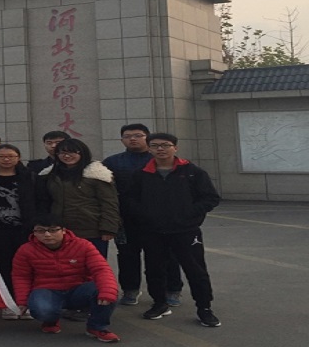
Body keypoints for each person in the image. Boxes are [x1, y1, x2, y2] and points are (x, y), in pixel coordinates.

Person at [127, 133, 222, 327]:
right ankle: (159, 303)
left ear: (175, 148)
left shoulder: (193, 172)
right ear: (149, 149)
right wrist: (145, 215)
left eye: (165, 145)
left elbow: (210, 198)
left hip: (186, 231)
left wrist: (189, 214)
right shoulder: (141, 174)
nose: (160, 149)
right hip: (153, 231)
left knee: (196, 270)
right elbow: (130, 200)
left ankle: (204, 308)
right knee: (154, 269)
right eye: (155, 146)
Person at [102, 124, 183, 306]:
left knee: (165, 256)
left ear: (147, 138)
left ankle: (172, 290)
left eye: (138, 135)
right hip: (125, 219)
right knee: (127, 255)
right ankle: (130, 290)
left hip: (160, 219)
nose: (132, 139)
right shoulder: (112, 162)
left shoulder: (161, 160)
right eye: (127, 136)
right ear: (122, 140)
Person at [12, 214, 120, 342]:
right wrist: (22, 301)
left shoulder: (83, 245)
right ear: (34, 233)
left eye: (53, 230)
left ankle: (97, 327)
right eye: (40, 231)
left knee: (108, 290)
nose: (47, 234)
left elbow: (101, 269)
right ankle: (50, 320)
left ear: (63, 230)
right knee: (43, 310)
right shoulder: (26, 250)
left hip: (78, 289)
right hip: (46, 289)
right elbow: (21, 276)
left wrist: (107, 292)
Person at [0, 143, 39, 320]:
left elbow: (40, 201)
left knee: (27, 266)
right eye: (2, 156)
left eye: (11, 156)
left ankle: (26, 302)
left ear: (18, 158)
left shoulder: (30, 177)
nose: (6, 159)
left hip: (25, 229)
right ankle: (8, 303)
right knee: (2, 265)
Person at [36, 139, 120, 259]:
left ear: (82, 153)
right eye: (62, 153)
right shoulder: (49, 175)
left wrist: (108, 229)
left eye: (72, 152)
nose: (66, 156)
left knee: (93, 264)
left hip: (91, 229)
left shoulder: (97, 175)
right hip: (60, 230)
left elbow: (109, 203)